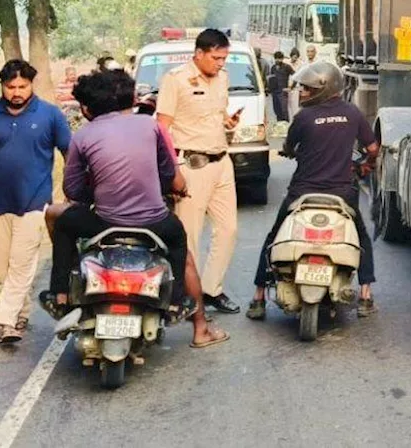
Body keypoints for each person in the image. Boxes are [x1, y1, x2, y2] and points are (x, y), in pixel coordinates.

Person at [44, 70, 228, 349]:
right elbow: (169, 175)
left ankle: (59, 295)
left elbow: (73, 190)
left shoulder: (82, 136)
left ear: (86, 108)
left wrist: (99, 190)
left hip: (104, 221)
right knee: (180, 243)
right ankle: (180, 304)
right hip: (154, 222)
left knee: (65, 224)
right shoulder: (150, 126)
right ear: (129, 99)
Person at [246, 61, 379, 320]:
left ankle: (259, 296)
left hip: (302, 193)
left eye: (307, 88)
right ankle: (365, 295)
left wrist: (290, 151)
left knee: (273, 236)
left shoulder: (303, 118)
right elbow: (373, 149)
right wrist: (365, 167)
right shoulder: (352, 113)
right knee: (362, 239)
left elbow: (288, 146)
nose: (303, 92)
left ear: (324, 88)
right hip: (343, 193)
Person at [0, 59, 71, 344]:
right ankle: (20, 312)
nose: (17, 92)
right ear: (2, 86)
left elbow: (69, 153)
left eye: (23, 86)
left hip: (34, 202)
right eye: (11, 87)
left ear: (31, 85)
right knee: (3, 267)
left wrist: (72, 190)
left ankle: (7, 321)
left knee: (21, 263)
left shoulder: (49, 115)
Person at [155, 29, 242, 314]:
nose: (220, 63)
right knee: (189, 234)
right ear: (199, 53)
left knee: (228, 230)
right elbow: (163, 128)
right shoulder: (176, 80)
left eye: (224, 58)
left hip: (221, 161)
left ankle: (211, 289)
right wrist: (170, 172)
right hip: (191, 165)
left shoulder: (224, 78)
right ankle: (185, 295)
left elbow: (217, 113)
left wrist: (228, 122)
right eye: (216, 57)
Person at [268, 51, 293, 123]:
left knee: (284, 111)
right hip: (275, 92)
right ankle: (279, 126)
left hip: (283, 92)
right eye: (276, 59)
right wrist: (270, 89)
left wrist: (291, 87)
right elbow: (271, 79)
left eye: (280, 59)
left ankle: (286, 127)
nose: (278, 60)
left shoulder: (287, 67)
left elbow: (295, 76)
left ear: (282, 59)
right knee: (277, 110)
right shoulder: (273, 68)